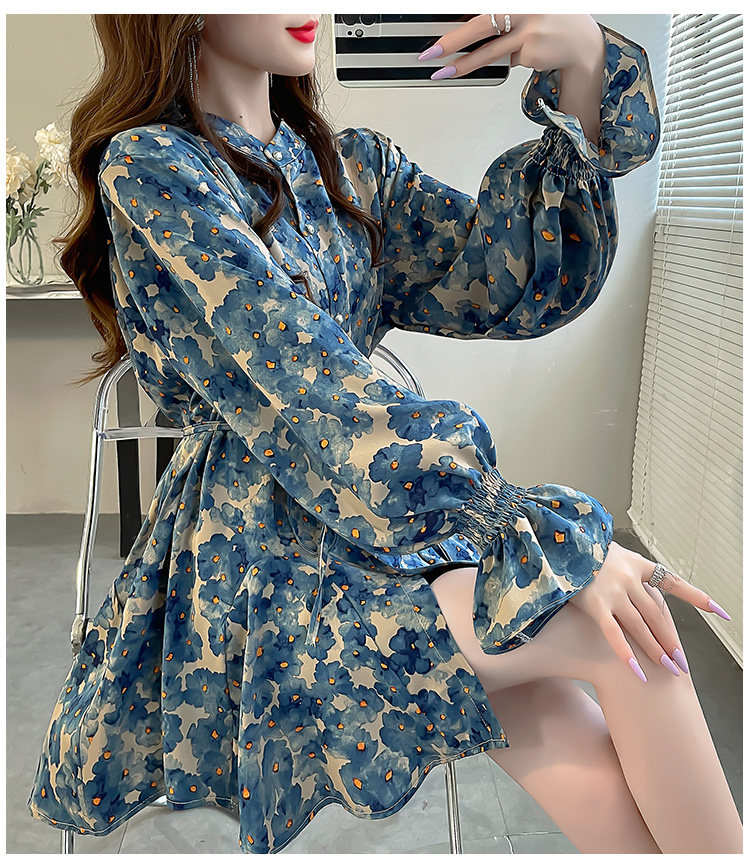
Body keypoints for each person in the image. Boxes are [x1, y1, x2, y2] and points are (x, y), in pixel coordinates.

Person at [27, 13, 741, 855]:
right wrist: (529, 530)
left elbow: (503, 276)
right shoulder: (152, 168)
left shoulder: (353, 169)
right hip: (261, 563)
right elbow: (310, 386)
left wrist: (585, 70)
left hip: (384, 527)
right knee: (628, 639)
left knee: (576, 693)